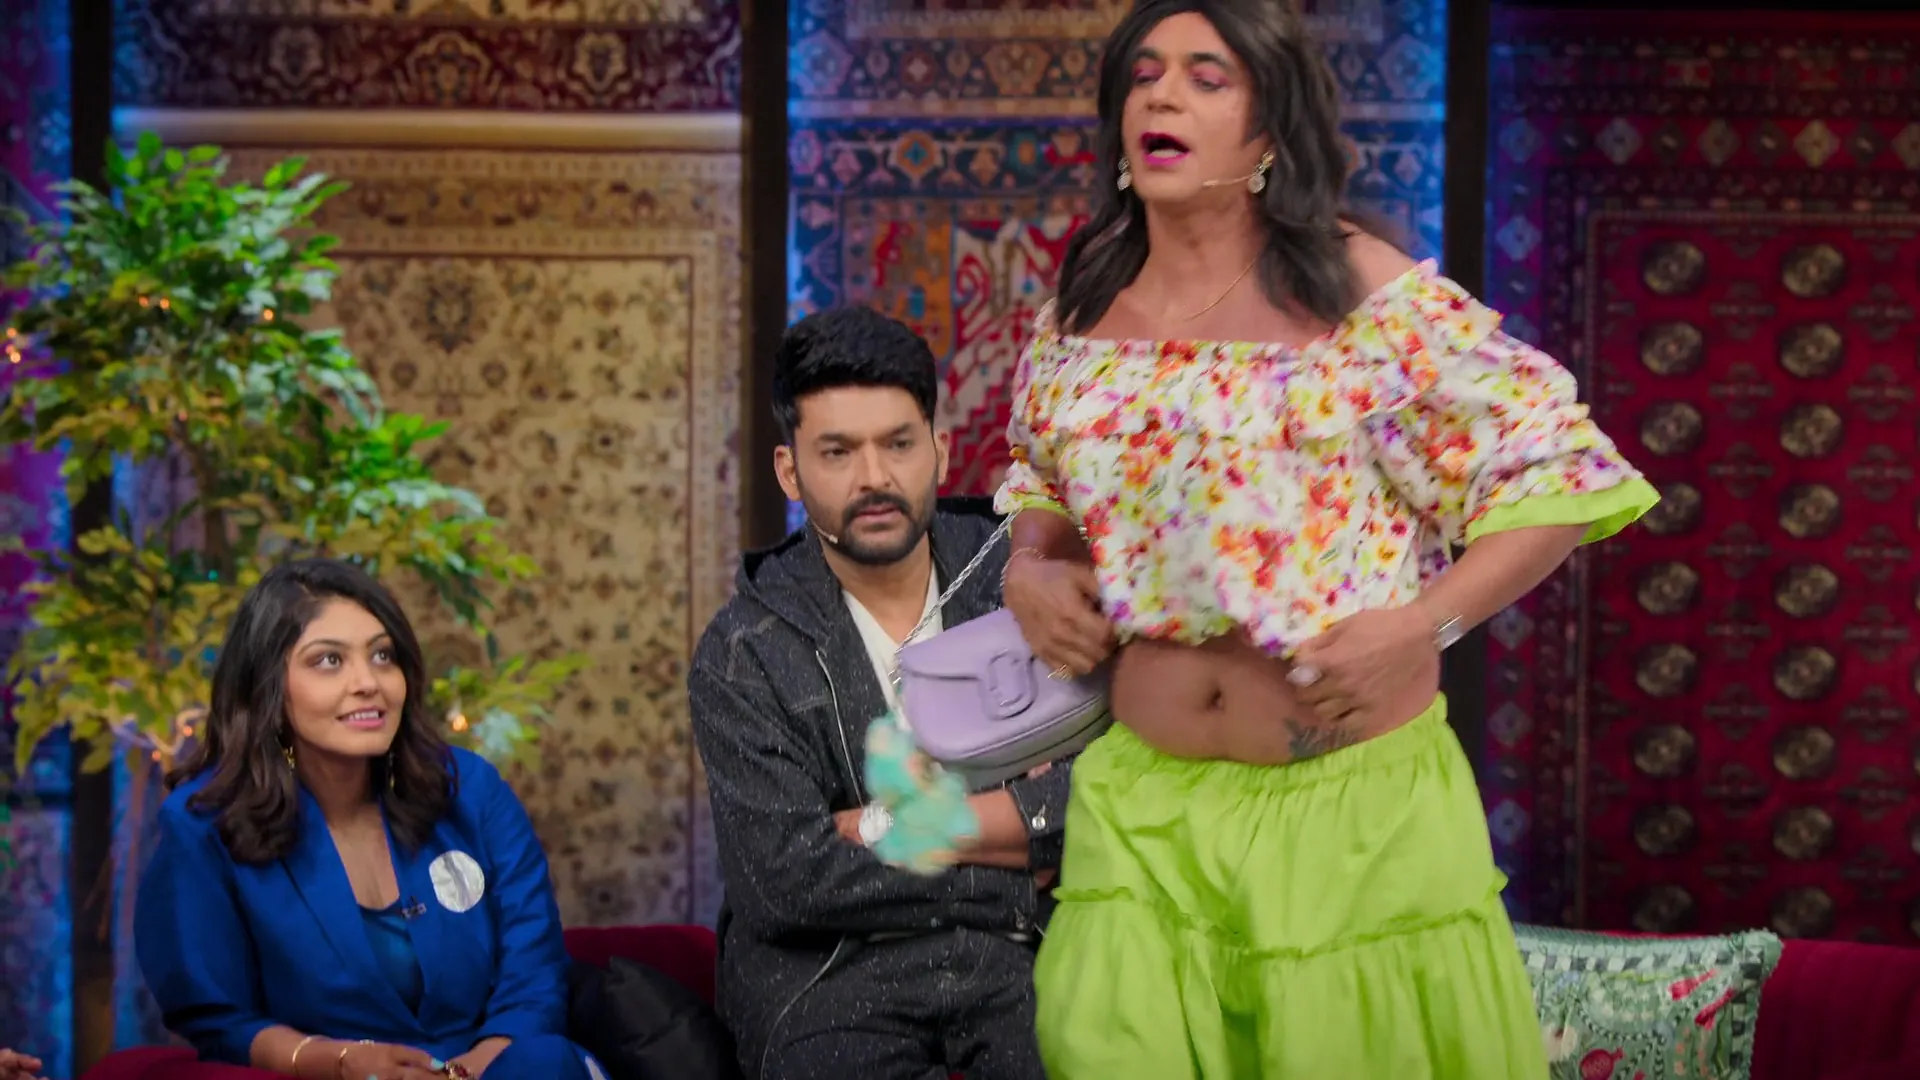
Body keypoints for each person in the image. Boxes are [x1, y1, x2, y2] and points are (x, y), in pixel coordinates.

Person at [988, 1, 1661, 1077]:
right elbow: (1043, 476)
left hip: (1352, 821)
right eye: (1144, 74)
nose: (1162, 96)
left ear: (1268, 130)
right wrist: (1028, 564)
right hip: (1142, 818)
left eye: (1207, 77)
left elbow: (1561, 475)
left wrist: (1425, 626)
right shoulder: (1083, 306)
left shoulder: (1361, 294)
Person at [688, 306, 1069, 1080]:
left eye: (898, 444)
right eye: (838, 452)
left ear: (940, 449)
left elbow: (1099, 797)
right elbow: (787, 881)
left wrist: (876, 823)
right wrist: (1009, 862)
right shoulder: (741, 651)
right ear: (790, 472)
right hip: (828, 970)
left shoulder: (1022, 586)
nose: (874, 478)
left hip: (1019, 953)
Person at [136, 558, 604, 1080]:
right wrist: (342, 1062)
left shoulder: (469, 790)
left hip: (504, 1069)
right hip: (337, 1074)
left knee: (544, 1061)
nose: (368, 682)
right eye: (329, 660)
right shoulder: (203, 825)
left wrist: (464, 1075)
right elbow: (219, 1020)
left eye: (383, 656)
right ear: (268, 686)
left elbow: (534, 979)